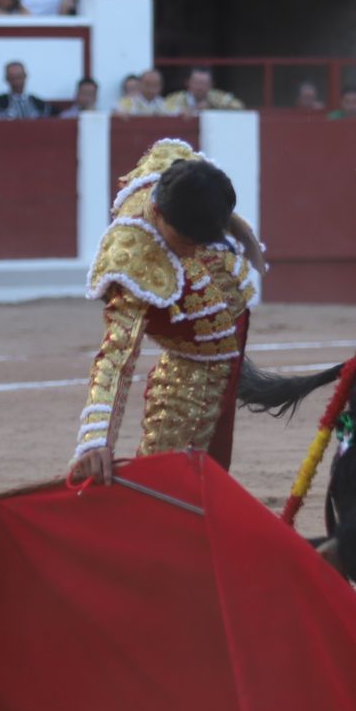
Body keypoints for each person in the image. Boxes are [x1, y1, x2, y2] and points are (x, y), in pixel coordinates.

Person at [68, 140, 264, 485]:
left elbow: (206, 194)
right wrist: (95, 439)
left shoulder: (178, 169)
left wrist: (234, 225)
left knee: (204, 468)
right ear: (157, 212)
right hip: (193, 360)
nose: (195, 249)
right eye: (186, 241)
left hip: (222, 329)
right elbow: (117, 355)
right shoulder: (131, 258)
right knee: (171, 474)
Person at [163, 68, 244, 114]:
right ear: (188, 83)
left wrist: (214, 105)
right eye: (196, 83)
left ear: (211, 85)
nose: (200, 87)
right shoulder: (176, 98)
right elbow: (162, 109)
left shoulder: (218, 97)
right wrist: (188, 110)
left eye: (204, 84)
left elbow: (239, 107)